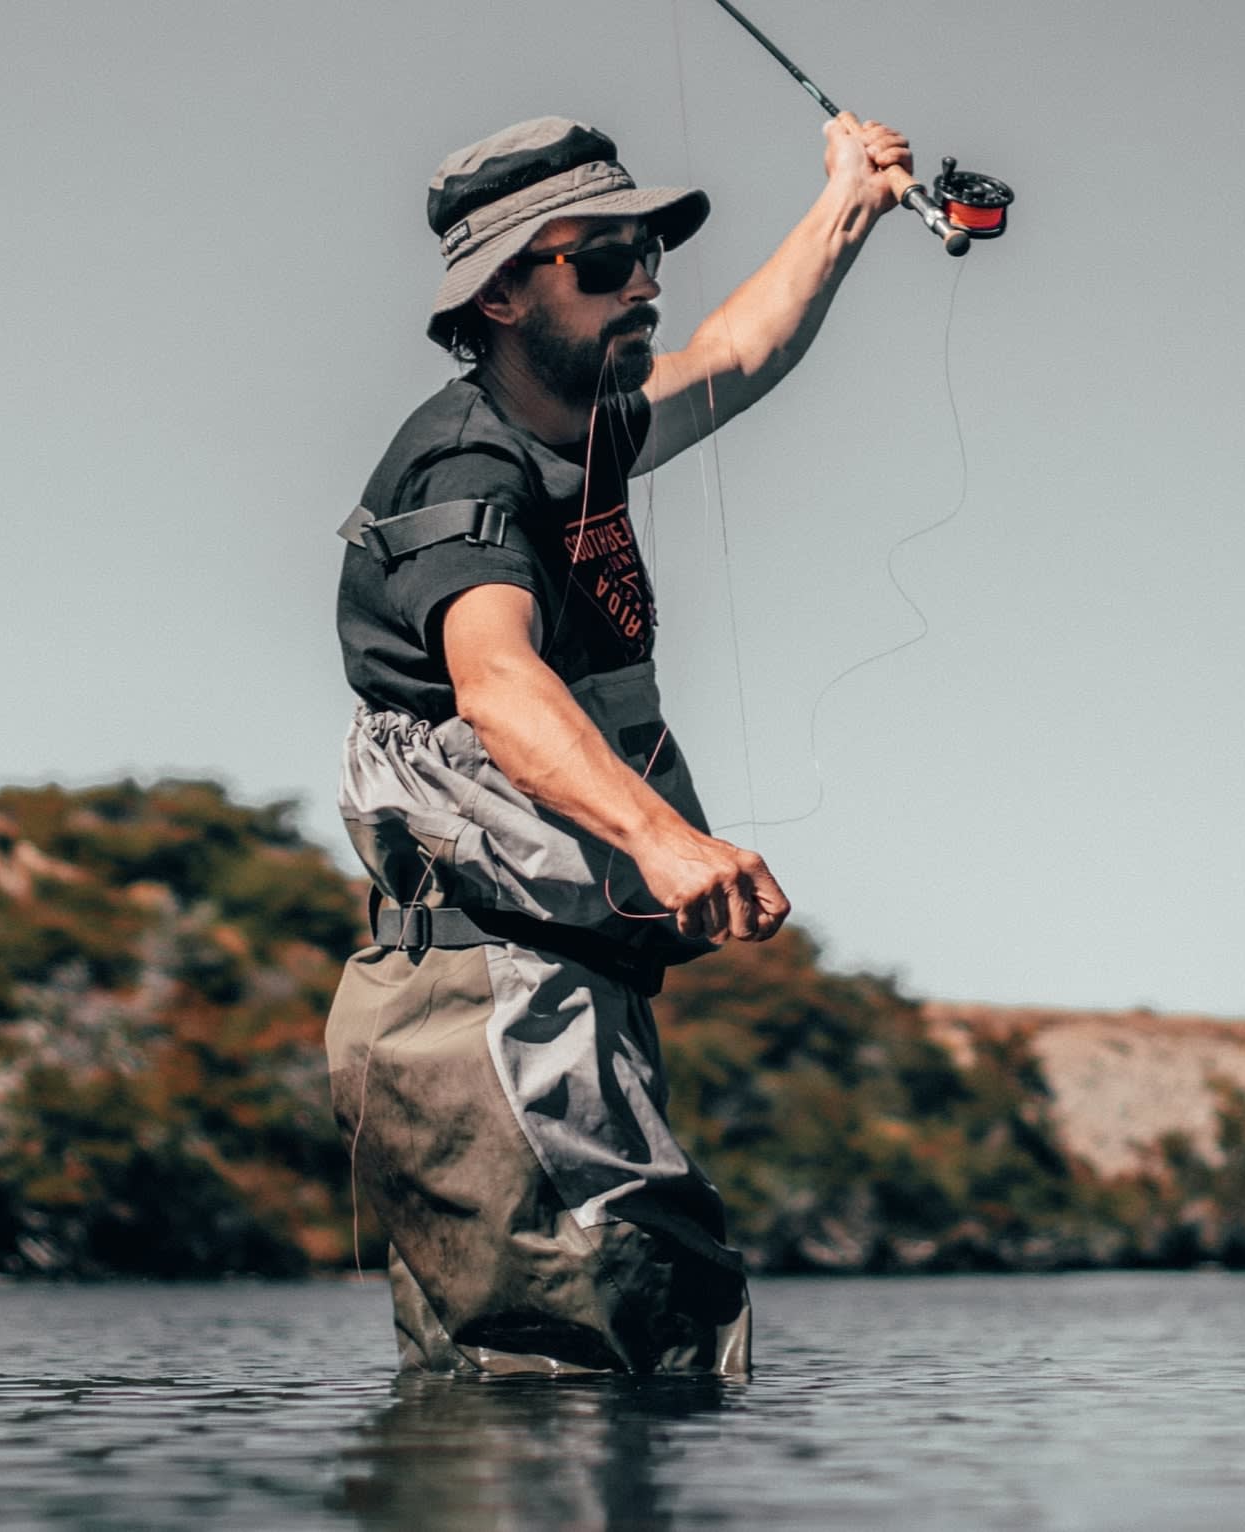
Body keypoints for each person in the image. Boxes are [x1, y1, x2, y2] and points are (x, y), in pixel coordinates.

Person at [328, 112, 911, 1376]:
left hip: (546, 999)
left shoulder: (579, 433)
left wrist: (848, 202)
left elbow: (738, 350)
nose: (643, 282)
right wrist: (663, 840)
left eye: (647, 251)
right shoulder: (462, 467)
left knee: (533, 1420)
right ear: (494, 296)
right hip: (491, 1004)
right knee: (624, 1367)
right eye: (599, 263)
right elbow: (495, 680)